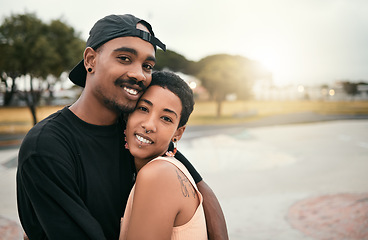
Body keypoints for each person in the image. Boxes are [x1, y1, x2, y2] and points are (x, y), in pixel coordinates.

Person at [16, 14, 228, 240]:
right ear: (90, 60)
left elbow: (199, 187)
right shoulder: (46, 147)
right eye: (125, 58)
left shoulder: (132, 131)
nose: (139, 74)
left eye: (147, 65)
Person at [120, 71, 207, 239]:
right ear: (128, 113)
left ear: (178, 133)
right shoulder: (169, 169)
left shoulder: (158, 174)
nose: (149, 125)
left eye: (166, 119)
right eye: (143, 109)